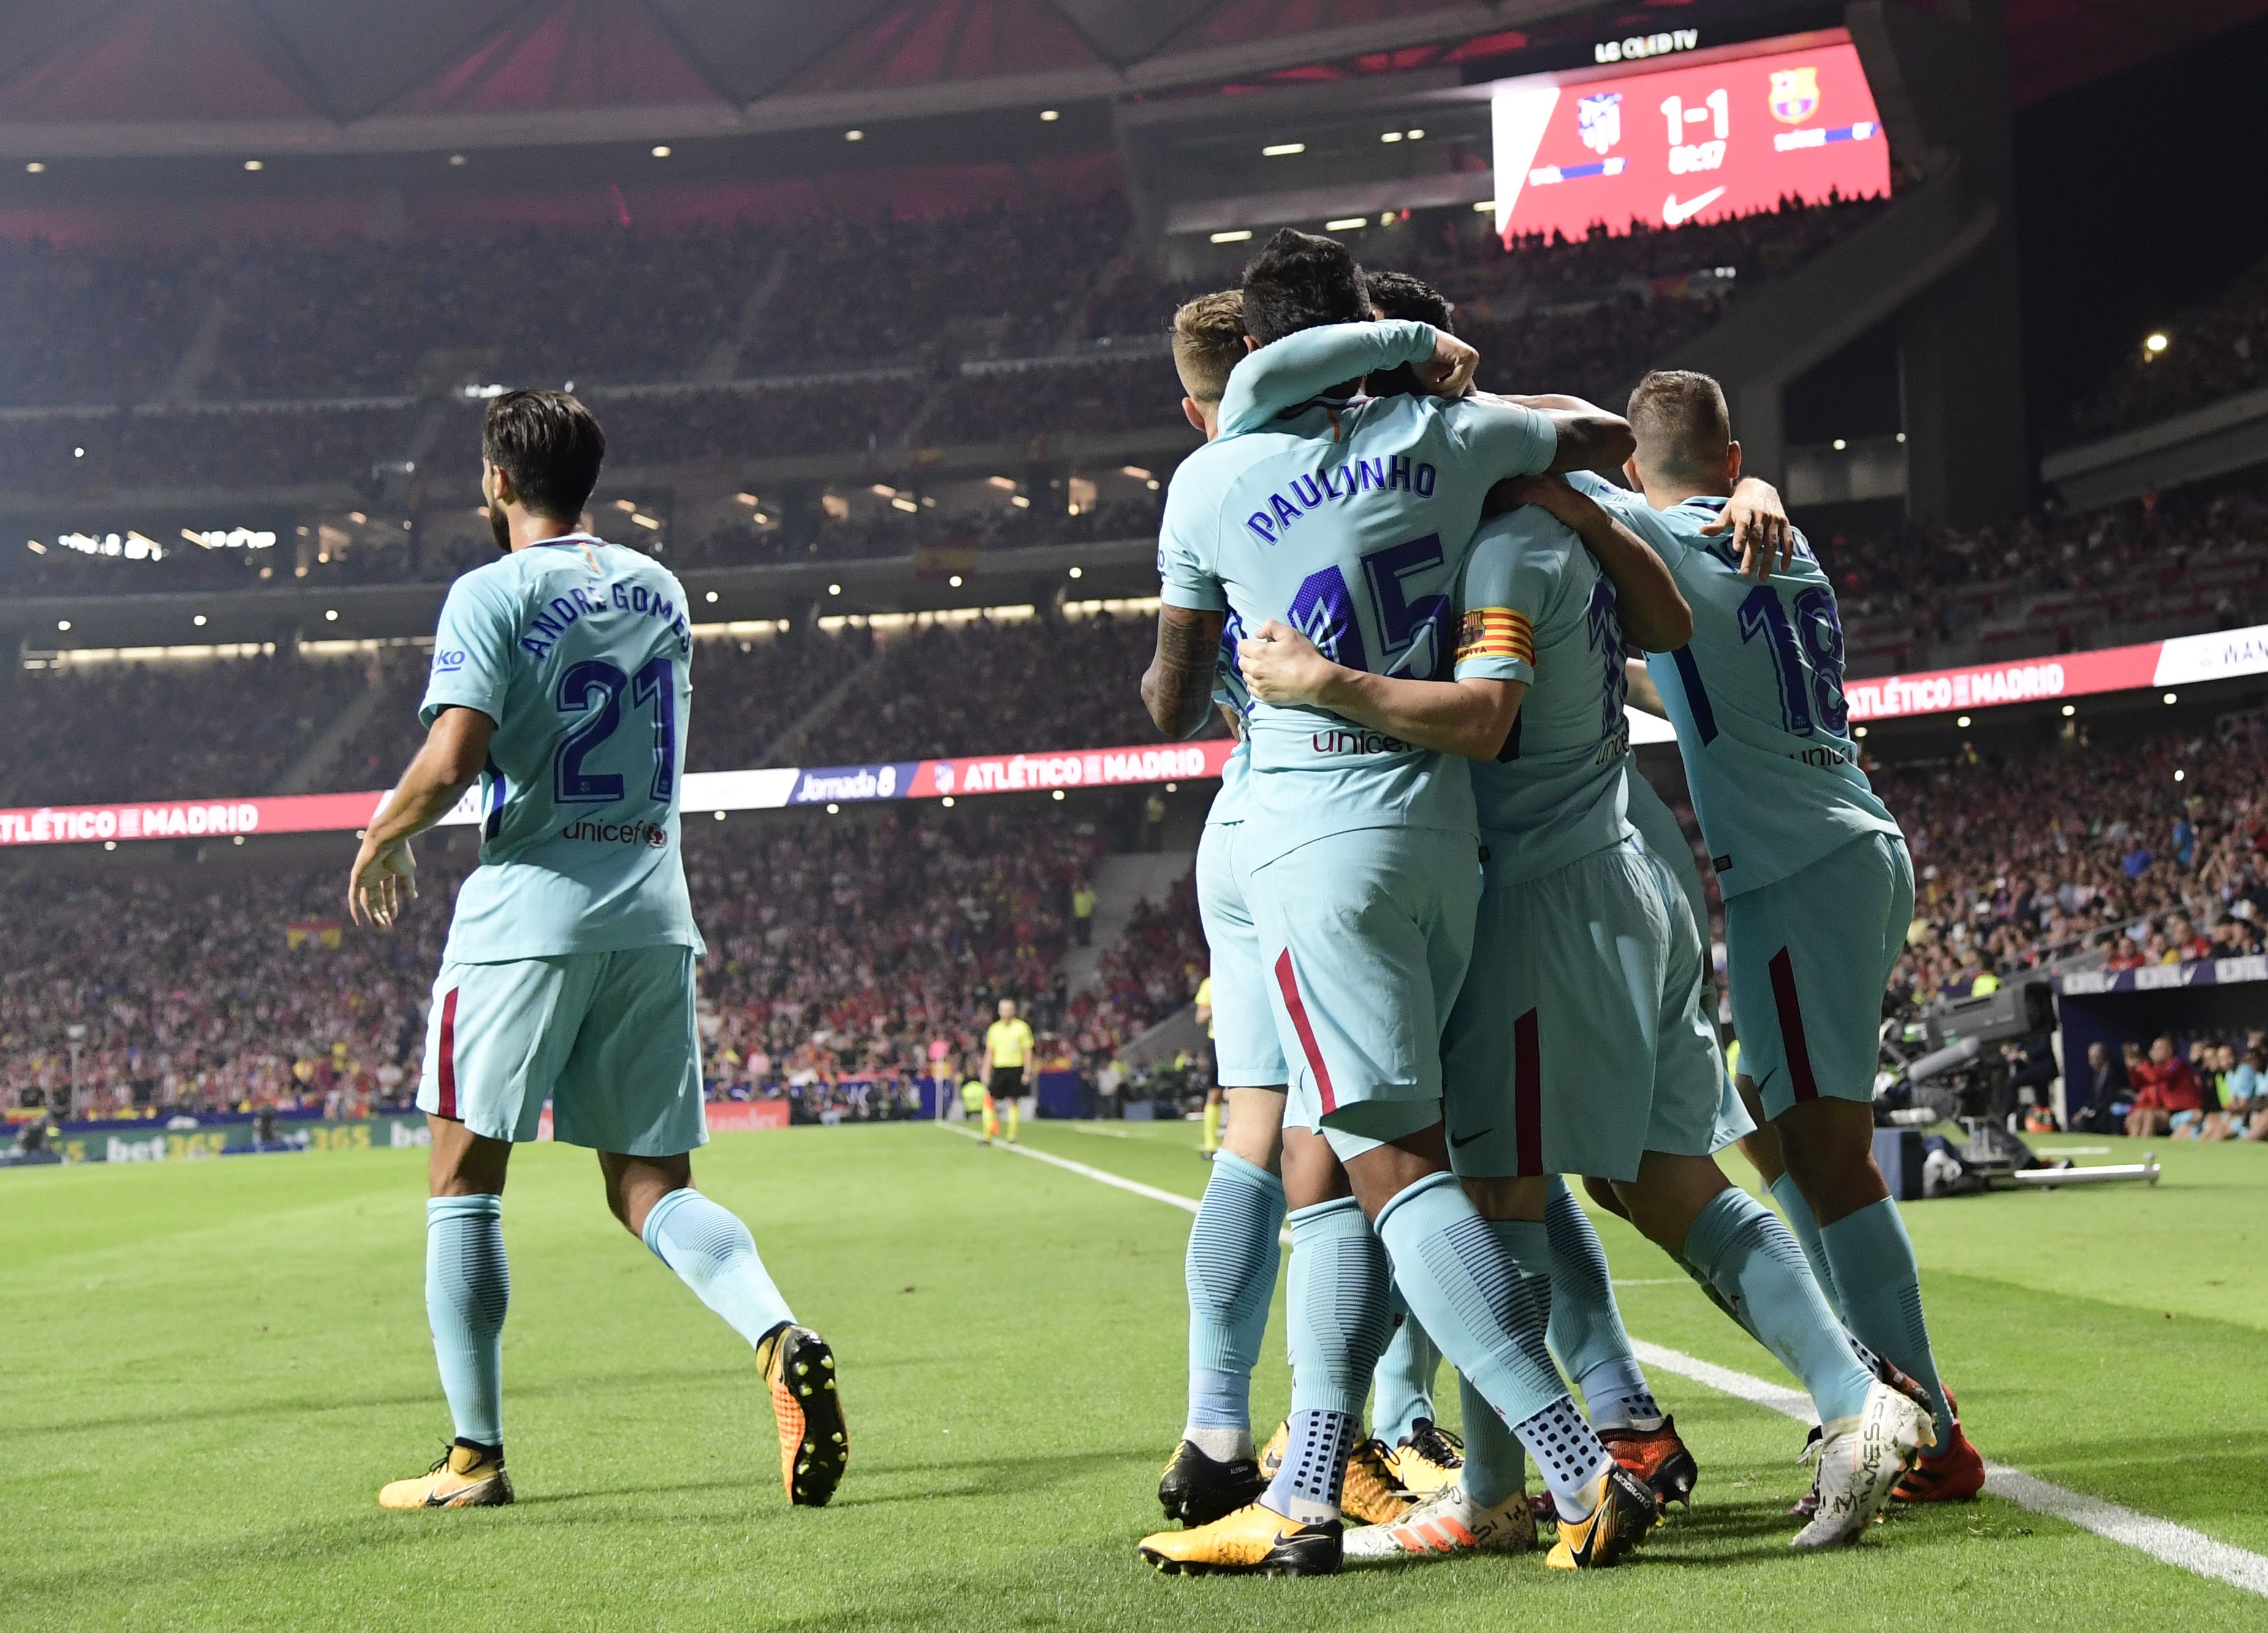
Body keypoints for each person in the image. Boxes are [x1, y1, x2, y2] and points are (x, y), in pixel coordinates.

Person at [1227, 317, 1924, 1555]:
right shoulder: (1573, 519)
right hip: (1631, 874)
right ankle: (1851, 1398)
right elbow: (1664, 620)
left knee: (1511, 1190)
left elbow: (1487, 718)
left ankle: (1535, 1481)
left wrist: (1320, 686)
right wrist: (1622, 505)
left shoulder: (1501, 548)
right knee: (1646, 1176)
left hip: (1552, 901)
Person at [1136, 227, 1662, 1578]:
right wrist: (1429, 368)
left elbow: (1170, 692)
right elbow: (1605, 433)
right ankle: (1307, 1491)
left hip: (1314, 837)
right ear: (1359, 325)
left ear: (1253, 354)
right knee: (1373, 1155)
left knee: (1387, 1172)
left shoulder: (1205, 483)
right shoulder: (1455, 438)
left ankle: (1574, 1466)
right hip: (1441, 832)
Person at [349, 389, 845, 1512]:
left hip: (526, 918)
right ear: (592, 478)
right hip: (652, 912)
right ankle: (775, 1334)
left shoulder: (488, 591)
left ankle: (475, 1454)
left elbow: (454, 756)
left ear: (496, 482)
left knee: (462, 1179)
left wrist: (382, 830)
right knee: (648, 1183)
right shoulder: (660, 587)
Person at [1575, 370, 1979, 1506]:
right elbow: (1704, 686)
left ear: (1633, 472)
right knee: (1769, 1125)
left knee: (1827, 1153)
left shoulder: (1648, 524)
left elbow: (1537, 476)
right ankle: (1874, 1382)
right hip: (1841, 844)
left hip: (1797, 872)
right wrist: (1755, 480)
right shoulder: (1772, 537)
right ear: (1734, 450)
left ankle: (1929, 1431)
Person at [1150, 290, 1425, 1534]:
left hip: (1238, 817)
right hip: (1339, 815)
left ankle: (1212, 1428)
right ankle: (1339, 1439)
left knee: (1248, 1135)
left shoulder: (1196, 490)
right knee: (1347, 1147)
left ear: (1191, 395)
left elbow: (1168, 694)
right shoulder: (1341, 465)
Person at [2128, 1033, 2205, 1137]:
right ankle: (2133, 1146)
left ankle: (2144, 1146)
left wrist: (2142, 1064)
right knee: (2138, 1115)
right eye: (2154, 1048)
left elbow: (2157, 1078)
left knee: (2150, 1116)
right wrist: (2133, 1068)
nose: (2154, 1052)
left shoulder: (2177, 1064)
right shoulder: (2158, 1067)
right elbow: (2140, 1085)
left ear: (2169, 1050)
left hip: (2185, 1110)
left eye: (2159, 1048)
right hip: (2168, 1110)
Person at [981, 997, 1033, 1145]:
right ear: (999, 1011)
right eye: (1003, 1009)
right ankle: (988, 1135)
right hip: (999, 1068)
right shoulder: (994, 1029)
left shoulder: (1022, 1028)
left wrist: (1027, 1072)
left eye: (1008, 1009)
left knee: (1014, 1101)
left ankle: (1011, 1136)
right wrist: (985, 1071)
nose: (1005, 1012)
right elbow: (990, 1052)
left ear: (1013, 1011)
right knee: (990, 1100)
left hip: (1016, 1067)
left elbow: (1028, 1051)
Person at [1071, 878, 1096, 946]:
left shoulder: (1088, 893)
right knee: (1079, 929)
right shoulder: (1076, 894)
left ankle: (1087, 941)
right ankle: (1080, 941)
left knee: (1087, 928)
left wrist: (1094, 908)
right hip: (1078, 915)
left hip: (1087, 914)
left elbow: (1093, 901)